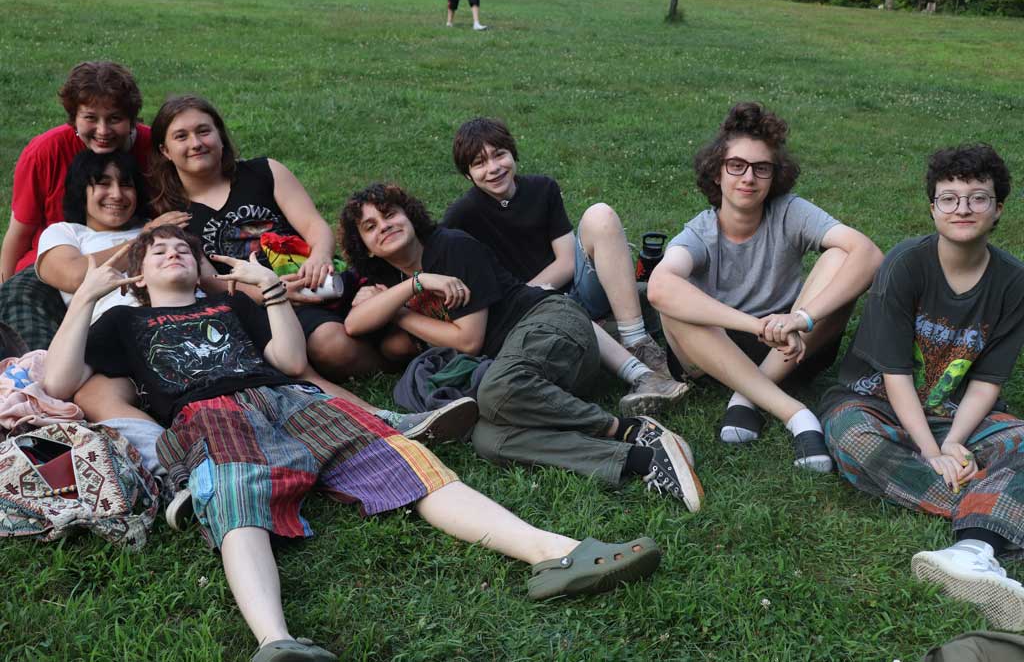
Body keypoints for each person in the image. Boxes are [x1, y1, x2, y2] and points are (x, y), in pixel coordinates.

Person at [42, 225, 663, 659]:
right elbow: (60, 380)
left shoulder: (231, 307)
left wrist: (272, 292)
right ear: (139, 274)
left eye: (182, 248)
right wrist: (88, 299)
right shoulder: (124, 318)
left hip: (292, 399)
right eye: (159, 252)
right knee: (233, 489)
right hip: (206, 414)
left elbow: (288, 360)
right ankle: (275, 641)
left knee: (403, 458)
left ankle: (556, 552)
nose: (173, 254)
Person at [342, 184, 704, 512]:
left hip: (552, 324)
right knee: (489, 439)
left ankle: (627, 428)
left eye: (389, 214)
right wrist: (411, 288)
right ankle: (641, 458)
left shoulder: (451, 248)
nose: (383, 225)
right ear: (365, 247)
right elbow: (353, 323)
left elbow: (468, 340)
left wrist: (400, 311)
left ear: (409, 216)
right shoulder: (391, 281)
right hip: (530, 378)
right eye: (370, 226)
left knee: (495, 391)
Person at [819, 144, 1024, 631]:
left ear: (998, 208)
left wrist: (953, 440)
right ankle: (999, 511)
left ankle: (972, 550)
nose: (963, 209)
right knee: (853, 443)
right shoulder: (905, 264)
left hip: (955, 413)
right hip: (873, 401)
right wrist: (934, 452)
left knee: (1022, 437)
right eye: (949, 198)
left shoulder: (1014, 281)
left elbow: (988, 381)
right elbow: (895, 375)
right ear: (932, 206)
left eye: (978, 198)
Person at [648, 102, 883, 472]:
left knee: (840, 257)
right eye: (736, 166)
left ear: (775, 176)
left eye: (761, 169)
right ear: (717, 173)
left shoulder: (790, 211)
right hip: (715, 354)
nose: (748, 178)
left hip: (793, 347)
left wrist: (802, 318)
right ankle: (797, 415)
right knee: (675, 301)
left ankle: (746, 397)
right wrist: (756, 325)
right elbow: (659, 287)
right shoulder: (700, 231)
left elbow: (868, 254)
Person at [444, 117, 688, 417]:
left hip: (573, 288)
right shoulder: (461, 216)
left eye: (499, 154)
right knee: (553, 302)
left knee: (600, 215)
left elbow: (567, 261)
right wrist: (535, 299)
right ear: (468, 175)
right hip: (531, 316)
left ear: (512, 154)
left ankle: (637, 340)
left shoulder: (542, 188)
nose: (493, 168)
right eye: (479, 163)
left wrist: (534, 290)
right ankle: (641, 369)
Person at [148, 94, 388, 384]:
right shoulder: (175, 215)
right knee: (332, 346)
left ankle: (402, 348)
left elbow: (313, 224)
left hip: (320, 278)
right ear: (165, 150)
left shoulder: (264, 172)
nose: (196, 143)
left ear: (220, 136)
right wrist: (271, 292)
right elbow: (212, 284)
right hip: (272, 306)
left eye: (203, 131)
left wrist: (320, 255)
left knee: (391, 318)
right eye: (181, 136)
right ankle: (388, 365)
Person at [35, 149, 185, 472]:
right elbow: (76, 274)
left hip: (173, 319)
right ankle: (178, 465)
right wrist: (147, 238)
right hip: (111, 338)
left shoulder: (155, 225)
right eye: (102, 183)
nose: (116, 194)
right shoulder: (68, 233)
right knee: (92, 397)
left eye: (126, 184)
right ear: (81, 190)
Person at [0, 61, 152, 350]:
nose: (103, 130)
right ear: (74, 118)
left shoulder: (154, 147)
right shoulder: (45, 152)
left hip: (136, 262)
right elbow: (19, 234)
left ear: (132, 120)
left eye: (115, 118)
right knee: (20, 297)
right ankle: (38, 373)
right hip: (55, 263)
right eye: (91, 118)